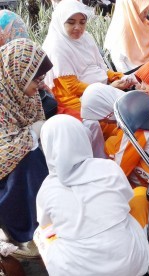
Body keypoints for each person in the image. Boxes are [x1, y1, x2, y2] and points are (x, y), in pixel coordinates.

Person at [35, 115, 149, 275]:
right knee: (141, 194)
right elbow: (126, 199)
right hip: (131, 264)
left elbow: (45, 222)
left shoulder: (47, 189)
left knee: (40, 234)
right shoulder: (108, 167)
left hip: (82, 271)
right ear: (82, 137)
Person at [0, 38, 53, 258]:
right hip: (9, 182)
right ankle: (34, 230)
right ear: (17, 75)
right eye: (36, 79)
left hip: (26, 164)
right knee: (30, 161)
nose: (40, 85)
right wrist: (32, 134)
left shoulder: (21, 92)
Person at [42, 0, 132, 118]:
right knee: (119, 118)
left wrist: (119, 77)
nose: (78, 27)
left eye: (82, 22)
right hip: (73, 99)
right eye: (71, 22)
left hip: (100, 89)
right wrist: (108, 89)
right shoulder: (56, 46)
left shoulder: (86, 37)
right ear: (60, 22)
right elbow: (72, 87)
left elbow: (101, 68)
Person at [104, 0, 149, 73]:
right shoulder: (120, 34)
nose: (146, 11)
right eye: (141, 8)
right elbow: (120, 65)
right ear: (131, 10)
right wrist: (133, 81)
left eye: (146, 7)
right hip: (140, 76)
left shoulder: (146, 24)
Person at [80, 83, 125, 159]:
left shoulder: (131, 128)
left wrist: (108, 145)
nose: (104, 122)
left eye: (102, 118)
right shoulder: (127, 110)